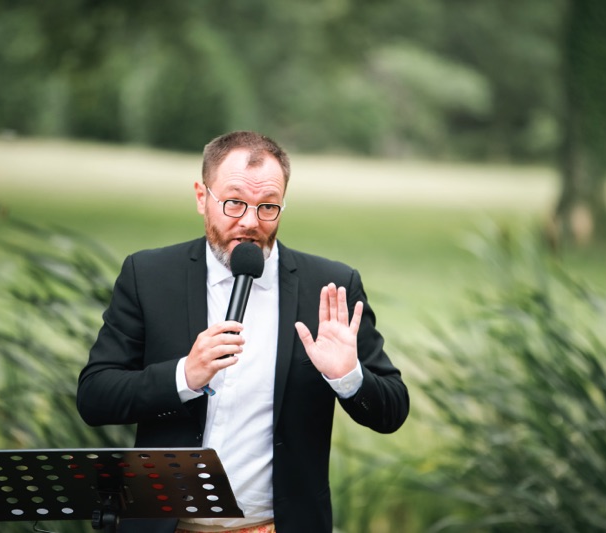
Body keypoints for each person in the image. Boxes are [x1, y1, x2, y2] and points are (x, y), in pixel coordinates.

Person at [77, 131, 409, 533]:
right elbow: (95, 396)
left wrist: (347, 378)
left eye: (268, 207)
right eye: (234, 203)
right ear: (202, 197)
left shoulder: (329, 287)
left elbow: (392, 411)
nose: (250, 222)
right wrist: (184, 376)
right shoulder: (147, 276)